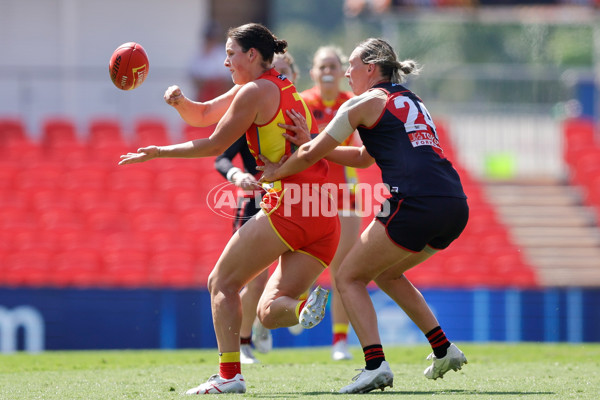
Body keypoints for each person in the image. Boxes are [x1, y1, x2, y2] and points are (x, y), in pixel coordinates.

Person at [119, 23, 340, 395]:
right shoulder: (282, 86)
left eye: (231, 54)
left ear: (252, 55)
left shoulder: (253, 92)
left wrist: (159, 151)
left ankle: (229, 375)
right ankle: (303, 309)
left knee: (221, 283)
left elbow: (213, 142)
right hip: (323, 212)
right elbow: (203, 113)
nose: (225, 62)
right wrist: (178, 103)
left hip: (290, 206)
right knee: (270, 312)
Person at [258, 37, 469, 394]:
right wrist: (312, 138)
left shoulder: (363, 102)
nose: (346, 74)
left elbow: (309, 153)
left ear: (370, 68)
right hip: (453, 202)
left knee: (349, 277)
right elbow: (363, 158)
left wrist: (274, 173)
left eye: (351, 66)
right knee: (387, 273)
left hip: (414, 202)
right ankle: (443, 348)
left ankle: (375, 365)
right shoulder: (408, 99)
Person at [212, 52, 300, 365]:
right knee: (255, 277)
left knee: (295, 276)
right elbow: (221, 155)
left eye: (285, 73)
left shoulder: (300, 112)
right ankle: (244, 343)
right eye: (275, 71)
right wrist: (237, 174)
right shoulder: (253, 107)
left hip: (298, 203)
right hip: (257, 201)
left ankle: (266, 321)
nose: (278, 78)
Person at [299, 46, 360, 361]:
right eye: (322, 65)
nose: (327, 71)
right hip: (307, 196)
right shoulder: (303, 103)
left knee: (342, 271)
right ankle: (269, 318)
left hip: (345, 197)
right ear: (313, 71)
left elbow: (362, 150)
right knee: (298, 268)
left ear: (341, 72)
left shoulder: (351, 104)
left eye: (333, 65)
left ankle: (339, 342)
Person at [188, 22, 233, 101]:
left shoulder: (223, 53)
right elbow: (194, 77)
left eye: (213, 38)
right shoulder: (198, 54)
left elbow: (228, 80)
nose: (210, 40)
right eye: (209, 37)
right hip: (203, 95)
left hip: (219, 95)